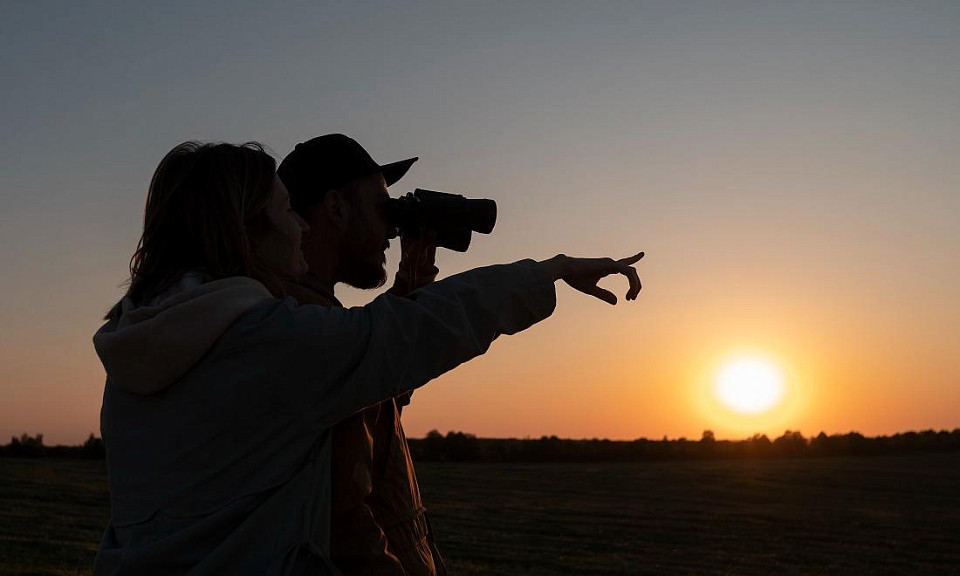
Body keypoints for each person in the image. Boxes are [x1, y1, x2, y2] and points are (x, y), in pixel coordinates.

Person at [92, 140, 643, 576]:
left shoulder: (148, 341)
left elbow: (341, 376)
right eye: (286, 211)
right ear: (245, 231)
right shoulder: (265, 340)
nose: (300, 228)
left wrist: (404, 294)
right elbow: (403, 338)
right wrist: (549, 270)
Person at [277, 134, 445, 576]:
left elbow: (372, 405)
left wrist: (408, 293)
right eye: (381, 206)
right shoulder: (307, 332)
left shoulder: (310, 317)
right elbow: (346, 527)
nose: (392, 226)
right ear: (335, 208)